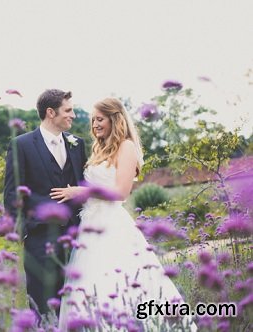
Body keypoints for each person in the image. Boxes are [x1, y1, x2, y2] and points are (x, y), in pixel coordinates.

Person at [52, 98, 197, 331]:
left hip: (112, 225)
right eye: (93, 120)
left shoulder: (126, 146)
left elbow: (121, 192)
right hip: (89, 226)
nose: (95, 125)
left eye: (100, 119)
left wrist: (82, 190)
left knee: (116, 279)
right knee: (90, 284)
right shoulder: (99, 148)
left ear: (115, 119)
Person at [3, 89, 87, 319]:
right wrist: (24, 233)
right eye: (68, 110)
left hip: (76, 237)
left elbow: (84, 184)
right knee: (42, 307)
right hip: (39, 239)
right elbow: (11, 194)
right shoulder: (21, 145)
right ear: (51, 112)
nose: (73, 115)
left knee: (77, 304)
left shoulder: (77, 144)